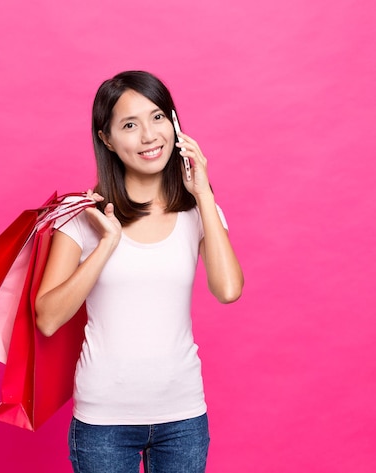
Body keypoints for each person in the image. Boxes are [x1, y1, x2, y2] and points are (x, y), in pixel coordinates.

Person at [34, 70, 244, 473]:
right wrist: (107, 244)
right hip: (104, 422)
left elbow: (228, 289)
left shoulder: (200, 212)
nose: (149, 136)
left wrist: (203, 193)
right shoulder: (82, 215)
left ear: (175, 123)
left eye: (158, 117)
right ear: (107, 139)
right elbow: (47, 318)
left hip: (183, 416)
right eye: (130, 125)